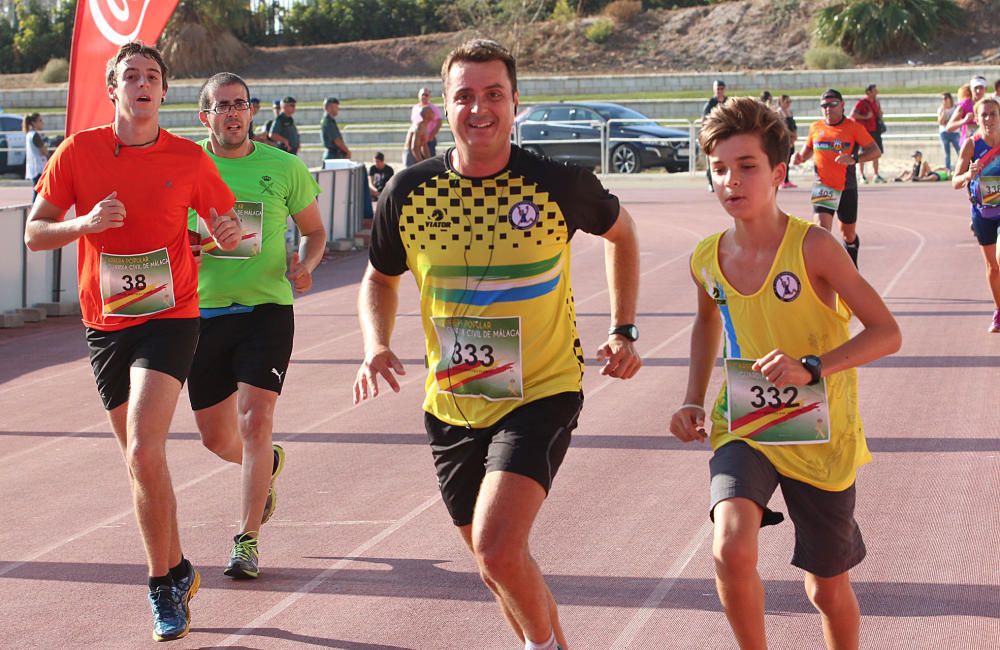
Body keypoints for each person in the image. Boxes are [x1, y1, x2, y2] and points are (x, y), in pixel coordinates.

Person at [353, 39, 641, 650]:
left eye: (493, 95)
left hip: (543, 389)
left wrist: (623, 327)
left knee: (497, 545)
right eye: (465, 96)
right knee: (495, 565)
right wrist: (374, 342)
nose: (478, 108)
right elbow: (379, 278)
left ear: (516, 103)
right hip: (452, 400)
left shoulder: (557, 182)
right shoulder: (406, 192)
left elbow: (623, 233)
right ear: (444, 106)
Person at [23, 42, 242, 642]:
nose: (143, 84)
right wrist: (85, 224)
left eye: (153, 76)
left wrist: (222, 233)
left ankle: (159, 589)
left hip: (171, 316)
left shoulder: (189, 159)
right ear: (112, 88)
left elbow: (229, 230)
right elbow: (34, 233)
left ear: (164, 91)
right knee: (140, 460)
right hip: (106, 323)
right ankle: (178, 570)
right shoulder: (79, 152)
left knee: (145, 449)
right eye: (132, 77)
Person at [670, 96, 901, 650]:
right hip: (746, 425)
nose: (731, 180)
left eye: (747, 166)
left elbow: (886, 332)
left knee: (825, 588)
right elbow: (706, 325)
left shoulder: (816, 248)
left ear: (778, 172)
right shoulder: (706, 257)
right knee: (729, 546)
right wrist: (693, 398)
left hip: (821, 435)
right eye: (720, 169)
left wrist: (813, 367)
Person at [189, 72, 326, 579]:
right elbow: (168, 240)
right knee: (215, 438)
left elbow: (314, 232)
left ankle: (245, 541)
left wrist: (307, 265)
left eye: (240, 105)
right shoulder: (185, 167)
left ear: (251, 111)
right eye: (221, 106)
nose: (232, 113)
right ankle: (267, 464)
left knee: (254, 421)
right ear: (205, 116)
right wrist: (203, 245)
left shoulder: (284, 167)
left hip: (267, 309)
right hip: (201, 314)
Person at [793, 89, 881, 268]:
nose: (828, 109)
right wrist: (800, 156)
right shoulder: (815, 127)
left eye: (832, 104)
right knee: (821, 232)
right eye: (824, 105)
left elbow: (876, 151)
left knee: (847, 234)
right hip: (823, 187)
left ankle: (852, 263)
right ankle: (825, 272)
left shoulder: (854, 128)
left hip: (846, 188)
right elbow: (809, 148)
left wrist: (854, 159)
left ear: (842, 105)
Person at [953, 97, 1000, 332]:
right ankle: (999, 311)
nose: (989, 119)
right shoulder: (971, 145)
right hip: (983, 212)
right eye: (984, 115)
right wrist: (968, 175)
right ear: (977, 118)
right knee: (993, 266)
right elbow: (954, 181)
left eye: (993, 114)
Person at [850, 84, 885, 183]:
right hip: (864, 132)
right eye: (874, 91)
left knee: (876, 152)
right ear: (868, 92)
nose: (877, 92)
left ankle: (876, 174)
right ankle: (862, 175)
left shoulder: (876, 102)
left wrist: (880, 114)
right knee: (863, 153)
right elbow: (853, 115)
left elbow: (878, 115)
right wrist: (866, 117)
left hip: (875, 131)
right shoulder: (861, 103)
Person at [702, 79, 728, 192]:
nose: (720, 91)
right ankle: (711, 181)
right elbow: (704, 119)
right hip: (714, 134)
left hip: (726, 134)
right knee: (712, 159)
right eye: (718, 89)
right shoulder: (710, 103)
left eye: (721, 89)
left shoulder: (728, 102)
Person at [948, 78, 987, 146]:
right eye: (976, 88)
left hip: (986, 144)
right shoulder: (965, 104)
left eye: (981, 88)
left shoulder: (990, 104)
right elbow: (949, 127)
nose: (978, 91)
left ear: (985, 89)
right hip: (968, 145)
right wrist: (964, 120)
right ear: (971, 89)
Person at [411, 86, 443, 157]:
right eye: (422, 94)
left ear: (429, 96)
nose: (424, 96)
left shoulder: (433, 108)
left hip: (428, 138)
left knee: (430, 159)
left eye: (426, 95)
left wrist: (432, 135)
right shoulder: (415, 108)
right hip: (418, 138)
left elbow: (439, 121)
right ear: (419, 95)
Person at [23, 112, 48, 201]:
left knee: (37, 192)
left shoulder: (29, 134)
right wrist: (45, 148)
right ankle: (36, 213)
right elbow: (44, 151)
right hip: (38, 168)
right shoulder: (35, 135)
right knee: (38, 193)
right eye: (40, 120)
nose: (42, 123)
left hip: (34, 167)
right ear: (34, 123)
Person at [321, 96, 351, 160]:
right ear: (329, 108)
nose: (338, 109)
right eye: (336, 107)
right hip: (333, 155)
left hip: (334, 154)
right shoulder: (328, 122)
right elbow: (337, 140)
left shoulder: (330, 120)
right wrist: (347, 151)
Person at [777, 95, 797, 189]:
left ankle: (787, 180)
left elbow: (793, 125)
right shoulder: (779, 112)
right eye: (787, 102)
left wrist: (794, 135)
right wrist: (790, 135)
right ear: (781, 102)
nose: (789, 104)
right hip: (784, 138)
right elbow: (782, 126)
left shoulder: (790, 112)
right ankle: (782, 181)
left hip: (791, 140)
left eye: (790, 102)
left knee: (788, 160)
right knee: (784, 160)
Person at [938, 92, 961, 172]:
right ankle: (948, 169)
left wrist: (949, 122)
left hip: (955, 132)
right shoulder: (941, 109)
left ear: (949, 99)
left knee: (959, 150)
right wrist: (943, 112)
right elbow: (941, 122)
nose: (944, 100)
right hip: (944, 132)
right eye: (942, 99)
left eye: (945, 98)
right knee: (946, 153)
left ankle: (962, 167)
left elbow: (957, 120)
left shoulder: (955, 108)